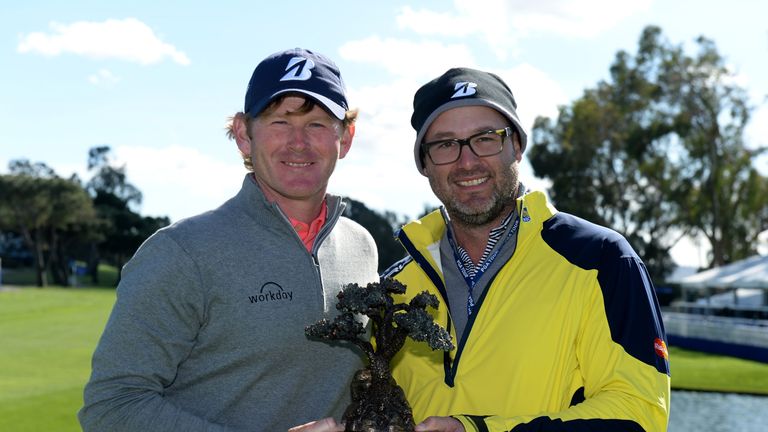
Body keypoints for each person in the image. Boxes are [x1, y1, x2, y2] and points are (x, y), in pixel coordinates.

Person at [78, 48, 378, 432]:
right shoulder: (181, 252)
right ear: (243, 134)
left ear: (346, 137)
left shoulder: (362, 247)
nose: (298, 142)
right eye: (279, 121)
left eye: (318, 123)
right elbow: (112, 407)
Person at [383, 68, 671, 432]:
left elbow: (639, 413)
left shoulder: (601, 259)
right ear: (424, 164)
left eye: (486, 138)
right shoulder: (393, 287)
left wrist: (481, 430)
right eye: (444, 145)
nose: (467, 161)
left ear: (516, 145)